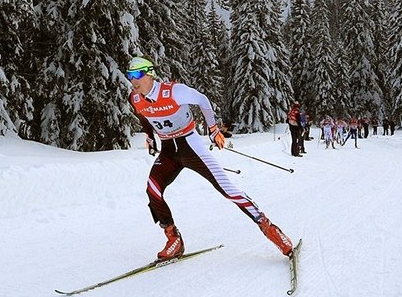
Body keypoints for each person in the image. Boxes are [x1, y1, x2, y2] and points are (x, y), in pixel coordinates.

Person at [125, 56, 294, 261]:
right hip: (168, 150)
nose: (133, 80)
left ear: (150, 73)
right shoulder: (134, 98)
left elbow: (203, 100)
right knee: (152, 190)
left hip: (191, 146)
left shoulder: (173, 91)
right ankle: (173, 239)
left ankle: (271, 229)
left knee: (228, 190)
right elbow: (144, 116)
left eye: (137, 74)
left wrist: (213, 128)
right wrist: (150, 137)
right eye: (129, 75)